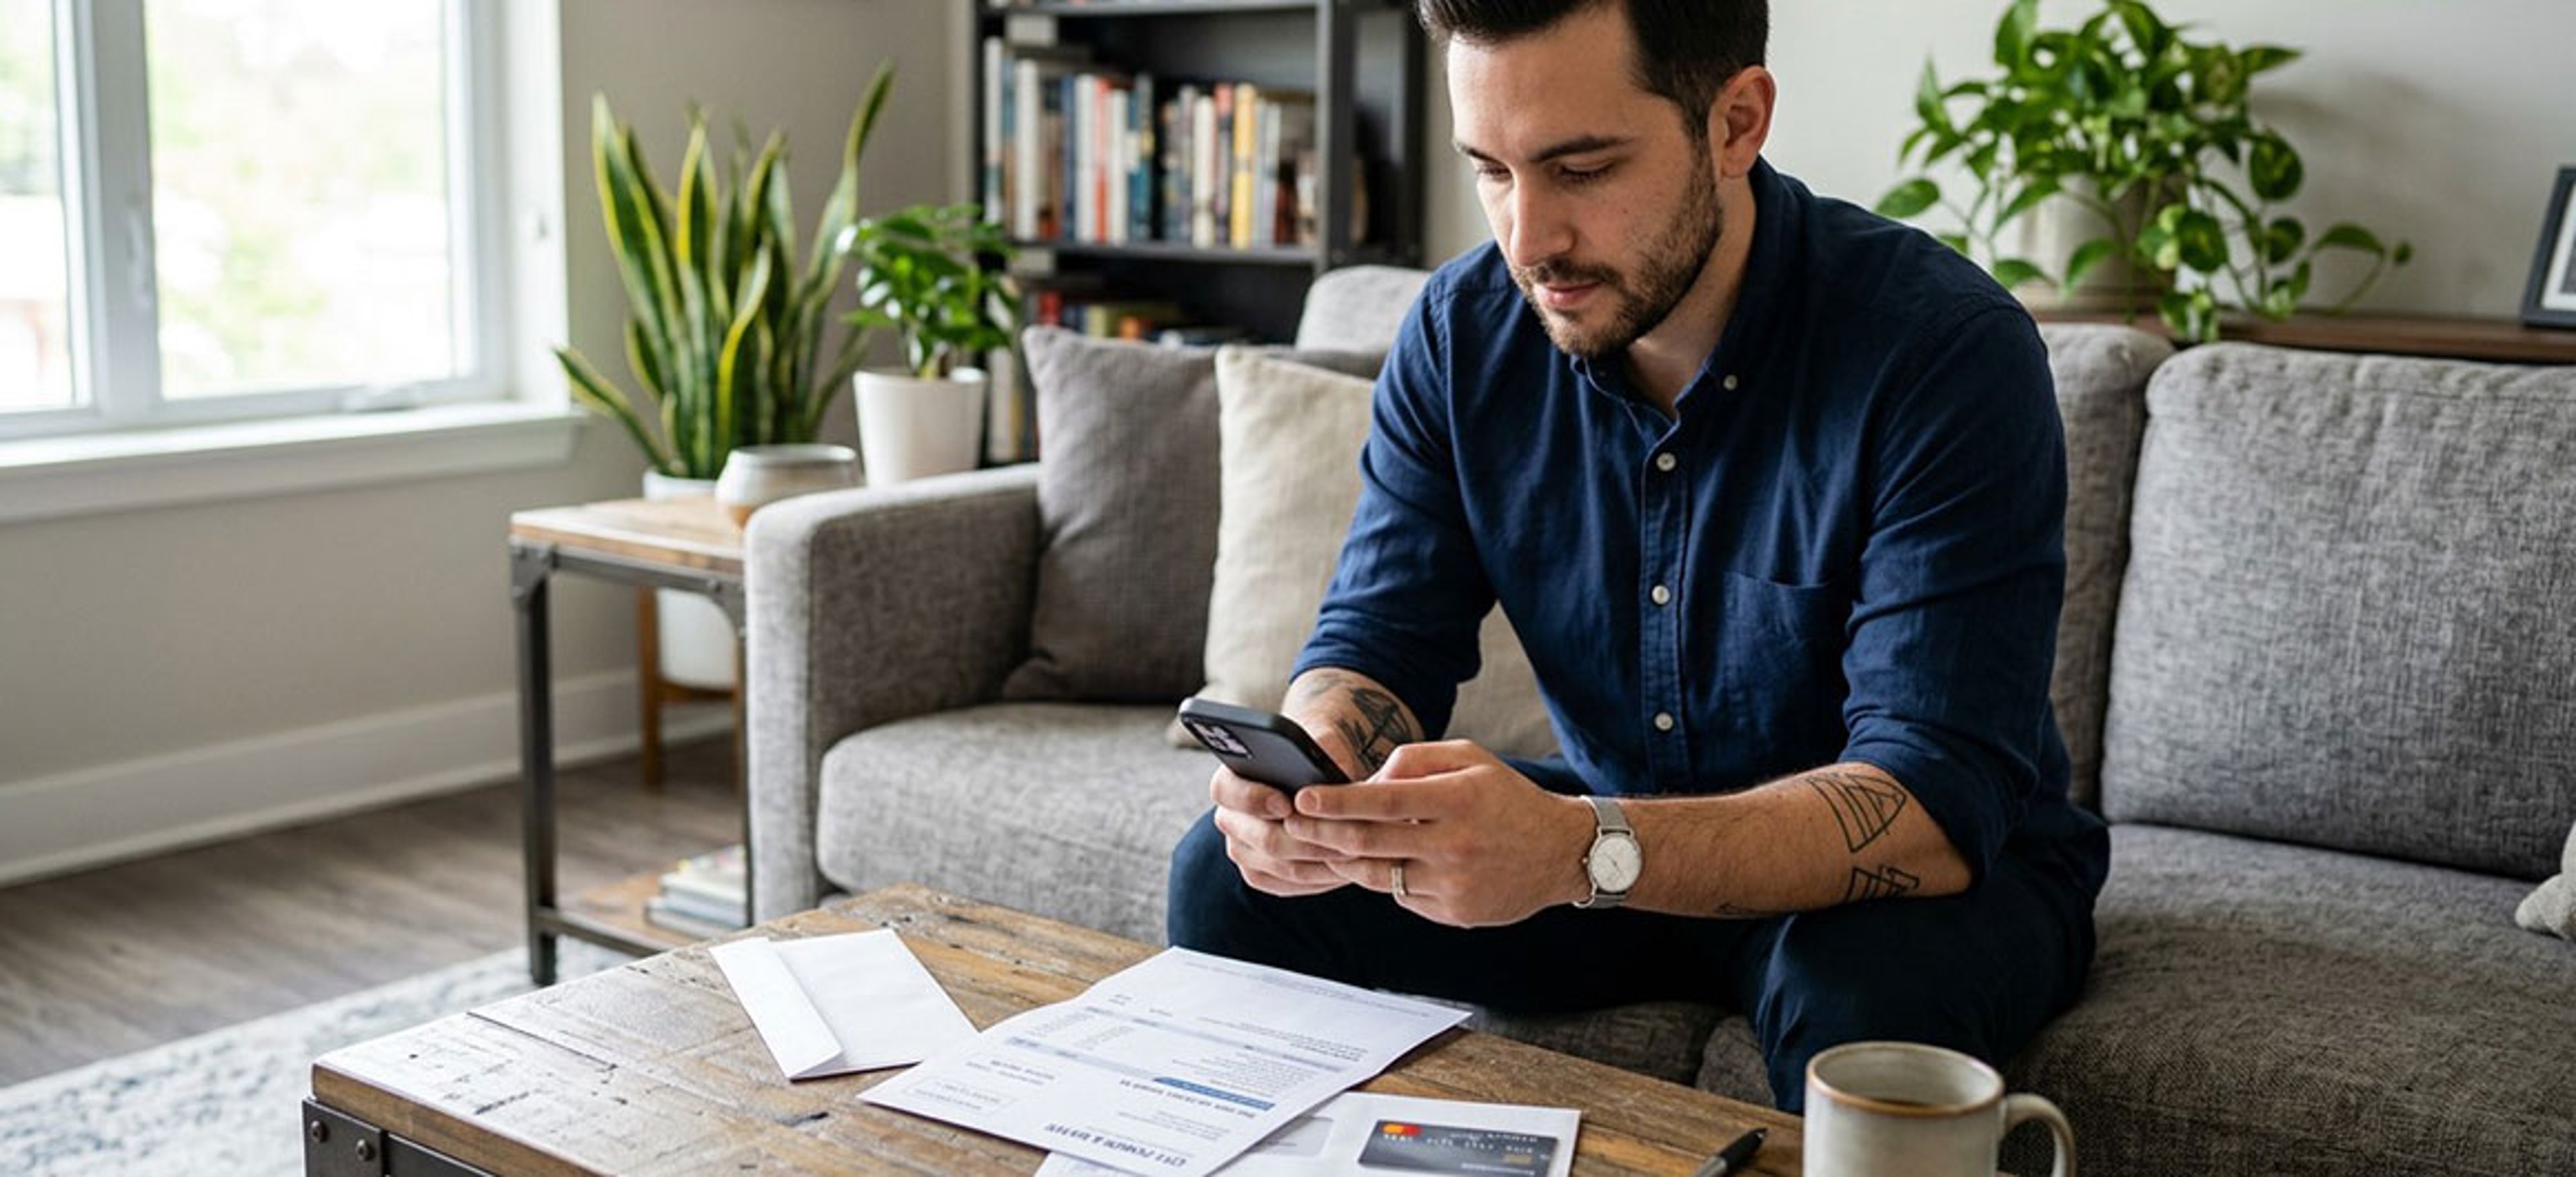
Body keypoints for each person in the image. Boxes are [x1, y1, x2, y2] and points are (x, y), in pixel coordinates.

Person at [1165, 0, 2108, 1111]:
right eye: (1494, 171)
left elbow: (1930, 804)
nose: (1529, 240)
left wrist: (1575, 849)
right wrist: (1317, 781)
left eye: (1581, 168)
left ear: (1736, 123)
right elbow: (1377, 643)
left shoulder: (1942, 352)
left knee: (1861, 1008)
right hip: (1612, 835)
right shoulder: (1463, 336)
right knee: (1225, 880)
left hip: (1908, 887)